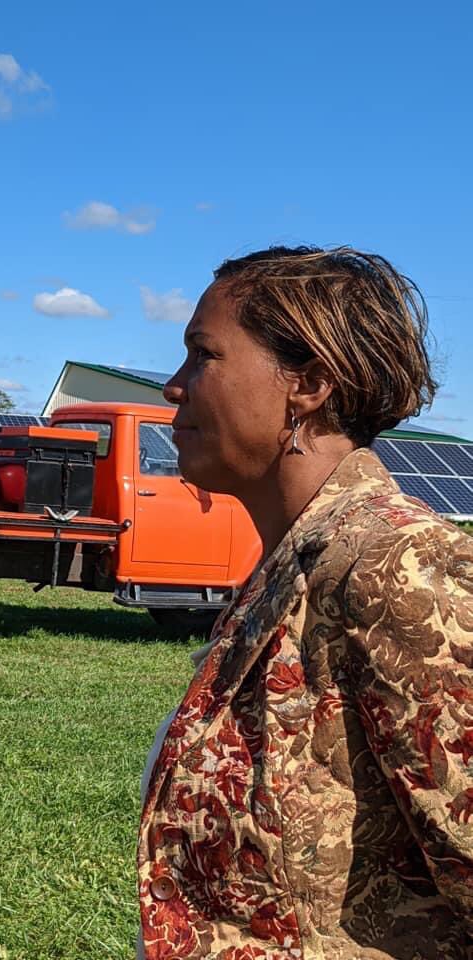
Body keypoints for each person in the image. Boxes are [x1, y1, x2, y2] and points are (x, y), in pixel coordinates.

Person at [137, 247, 473, 960]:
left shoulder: (397, 563)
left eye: (202, 355)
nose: (173, 387)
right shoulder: (293, 566)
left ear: (310, 382)